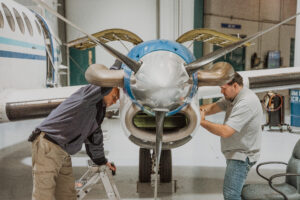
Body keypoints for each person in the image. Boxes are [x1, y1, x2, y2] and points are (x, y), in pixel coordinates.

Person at [28, 61, 121, 200]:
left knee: (67, 195)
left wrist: (102, 161)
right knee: (44, 196)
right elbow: (105, 83)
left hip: (64, 151)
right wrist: (119, 64)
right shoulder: (89, 94)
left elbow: (94, 140)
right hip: (48, 145)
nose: (114, 101)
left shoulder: (97, 112)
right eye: (114, 97)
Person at [199, 72, 263, 200]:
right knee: (231, 193)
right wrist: (195, 110)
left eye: (223, 88)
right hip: (235, 151)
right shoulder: (232, 97)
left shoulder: (246, 102)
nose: (221, 92)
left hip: (242, 155)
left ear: (234, 85)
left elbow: (226, 131)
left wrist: (200, 121)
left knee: (231, 195)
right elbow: (213, 107)